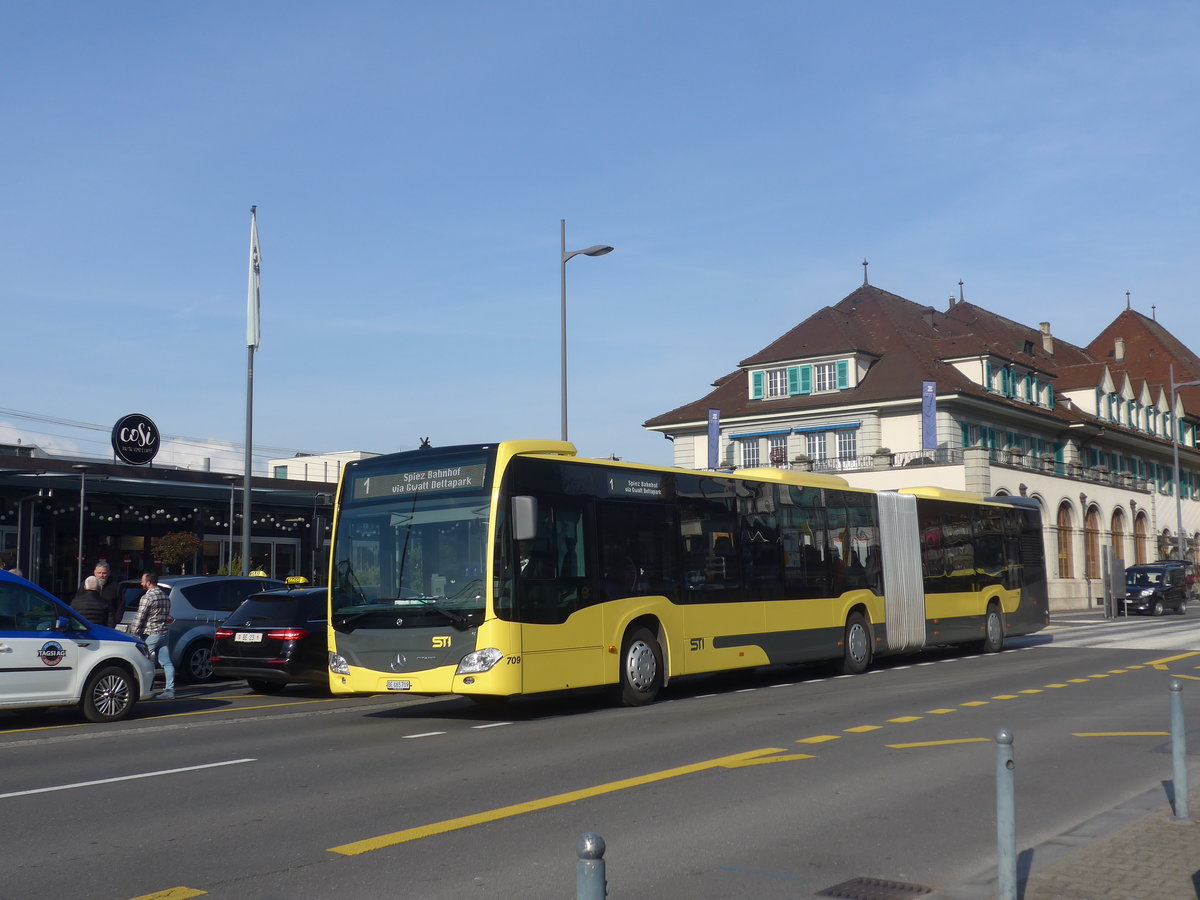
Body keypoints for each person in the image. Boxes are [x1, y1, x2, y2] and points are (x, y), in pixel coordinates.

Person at [130, 571, 175, 700]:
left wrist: (133, 633)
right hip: (164, 632)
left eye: (143, 581)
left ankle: (147, 689)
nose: (141, 583)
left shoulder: (148, 597)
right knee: (166, 662)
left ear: (149, 582)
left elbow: (140, 616)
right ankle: (170, 690)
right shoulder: (165, 596)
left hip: (150, 633)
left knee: (145, 661)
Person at [91, 562, 123, 629]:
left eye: (104, 573)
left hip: (108, 625)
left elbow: (120, 605)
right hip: (90, 623)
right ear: (94, 573)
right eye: (99, 573)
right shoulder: (87, 585)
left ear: (109, 573)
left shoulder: (115, 587)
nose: (101, 575)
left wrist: (116, 621)